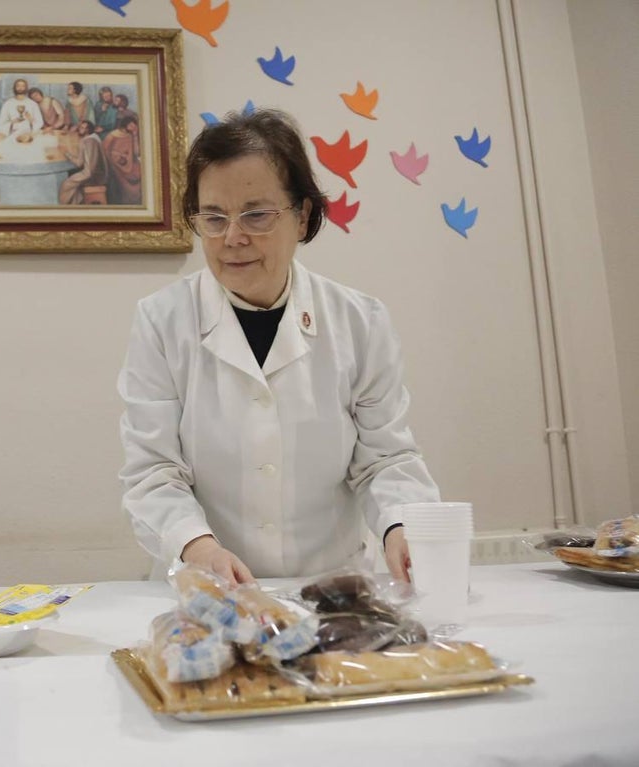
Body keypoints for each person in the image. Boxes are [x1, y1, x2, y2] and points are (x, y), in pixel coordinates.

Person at [117, 109, 439, 585]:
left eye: (257, 214)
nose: (233, 237)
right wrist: (197, 546)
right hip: (210, 591)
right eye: (213, 217)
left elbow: (386, 459)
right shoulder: (162, 321)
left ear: (302, 214)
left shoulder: (359, 320)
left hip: (334, 586)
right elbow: (153, 471)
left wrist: (401, 527)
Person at [58, 120, 108, 204]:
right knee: (74, 183)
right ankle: (76, 204)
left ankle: (65, 207)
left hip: (93, 176)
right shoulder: (94, 138)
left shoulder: (87, 141)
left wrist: (66, 153)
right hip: (99, 174)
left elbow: (79, 164)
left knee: (66, 185)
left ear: (87, 130)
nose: (79, 129)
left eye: (81, 128)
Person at [103, 114, 141, 204]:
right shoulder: (113, 135)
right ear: (125, 124)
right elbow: (104, 150)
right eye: (131, 125)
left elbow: (136, 153)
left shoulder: (131, 135)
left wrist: (135, 136)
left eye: (135, 125)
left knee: (139, 175)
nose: (134, 127)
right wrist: (117, 157)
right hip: (115, 165)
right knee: (123, 185)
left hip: (129, 164)